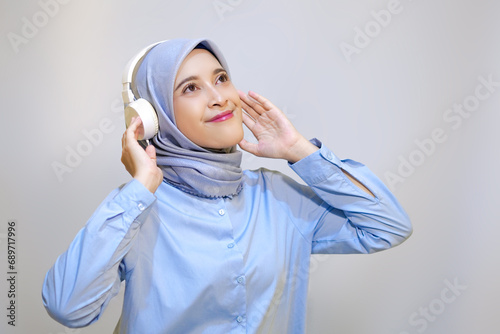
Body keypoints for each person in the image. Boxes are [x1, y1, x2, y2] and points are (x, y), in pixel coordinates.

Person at [42, 38, 412, 334]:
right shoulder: (137, 210)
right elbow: (68, 308)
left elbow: (388, 226)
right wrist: (138, 192)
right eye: (190, 88)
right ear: (154, 118)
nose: (219, 96)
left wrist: (300, 152)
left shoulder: (279, 197)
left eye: (221, 78)